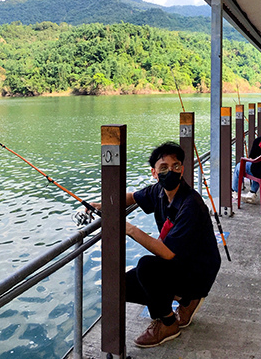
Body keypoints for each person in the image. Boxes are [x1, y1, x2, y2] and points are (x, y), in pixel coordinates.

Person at [91, 142, 221, 348]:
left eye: (176, 166)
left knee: (147, 267)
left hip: (199, 270)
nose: (170, 171)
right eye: (164, 167)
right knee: (117, 286)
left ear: (182, 169)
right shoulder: (159, 192)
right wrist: (103, 205)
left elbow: (168, 254)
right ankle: (184, 301)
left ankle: (168, 322)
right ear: (154, 172)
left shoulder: (191, 205)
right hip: (180, 264)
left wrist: (130, 229)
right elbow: (133, 197)